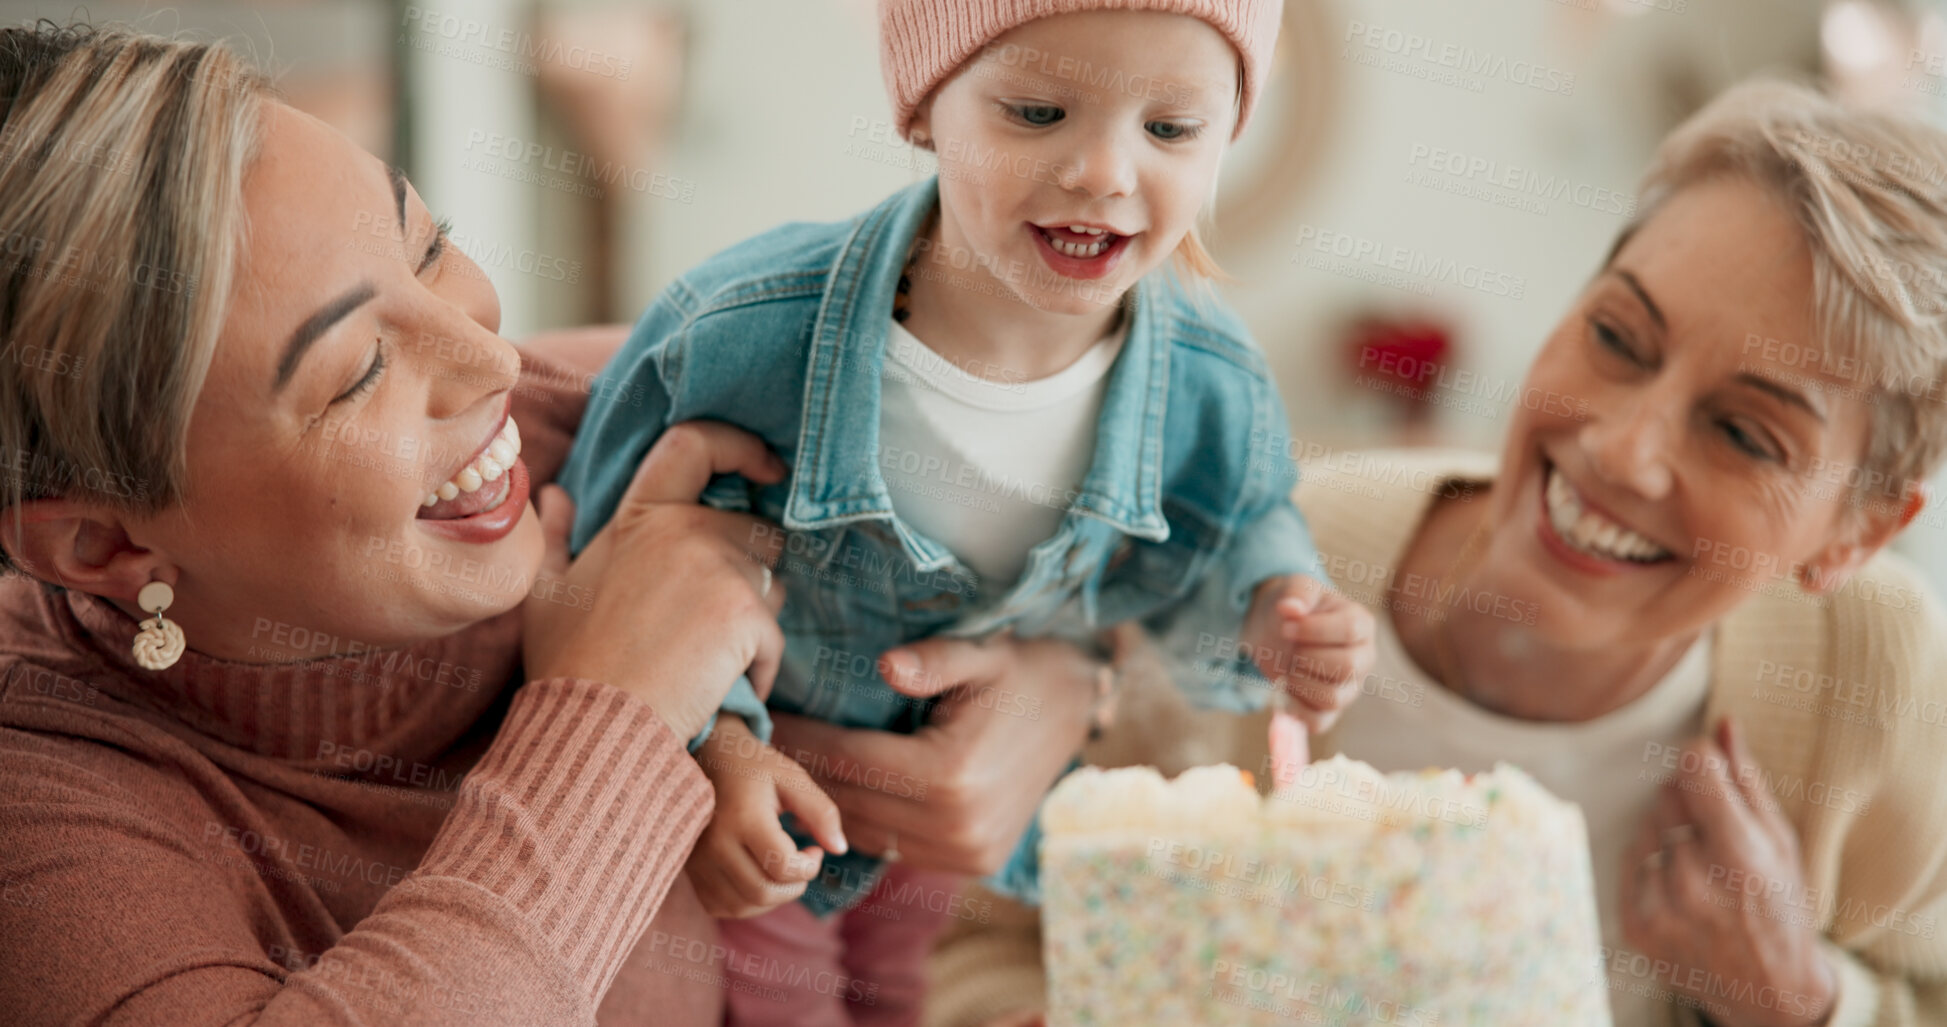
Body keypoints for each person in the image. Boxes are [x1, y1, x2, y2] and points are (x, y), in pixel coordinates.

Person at [0, 22, 1119, 1026]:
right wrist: (616, 708)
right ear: (107, 546)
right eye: (356, 373)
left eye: (427, 245)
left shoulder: (625, 412)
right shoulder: (47, 817)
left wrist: (1056, 688)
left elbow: (1097, 458)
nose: (490, 357)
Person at [926, 80, 1947, 1027]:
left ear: (1856, 531)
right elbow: (970, 943)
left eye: (1744, 434)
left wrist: (1804, 999)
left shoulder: (1873, 685)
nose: (1621, 450)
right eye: (1619, 339)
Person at [555, 1, 1376, 1023]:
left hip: (952, 795)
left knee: (905, 983)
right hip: (766, 777)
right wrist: (713, 746)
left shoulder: (1212, 383)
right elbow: (607, 561)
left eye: (1170, 130)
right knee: (781, 1001)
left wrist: (1280, 609)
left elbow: (1241, 524)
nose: (1106, 174)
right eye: (1037, 112)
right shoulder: (744, 329)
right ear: (925, 112)